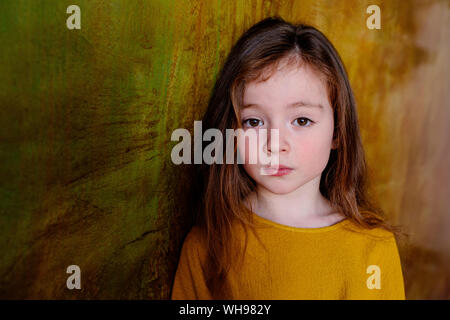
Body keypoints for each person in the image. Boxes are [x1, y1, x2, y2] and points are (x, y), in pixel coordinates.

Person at [171, 16, 406, 300]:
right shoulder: (206, 246)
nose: (275, 144)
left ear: (338, 132)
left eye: (302, 120)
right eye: (254, 122)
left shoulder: (374, 248)